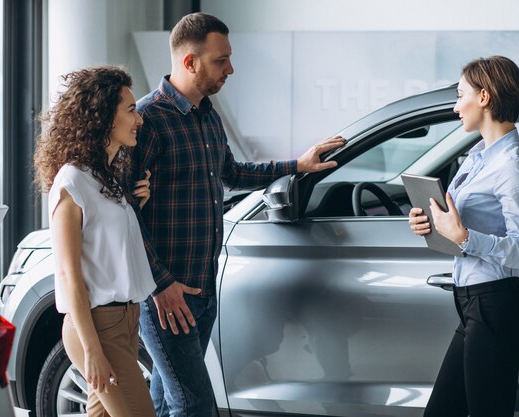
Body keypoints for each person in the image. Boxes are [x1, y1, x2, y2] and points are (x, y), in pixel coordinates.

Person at [131, 12, 346, 417]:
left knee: (165, 398)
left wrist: (297, 165)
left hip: (202, 290)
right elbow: (128, 215)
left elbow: (231, 173)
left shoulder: (207, 113)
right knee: (194, 405)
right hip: (167, 296)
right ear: (190, 61)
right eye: (221, 60)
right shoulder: (148, 121)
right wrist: (161, 285)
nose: (231, 68)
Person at [408, 56, 519, 417]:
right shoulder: (477, 156)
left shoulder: (513, 166)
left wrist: (465, 238)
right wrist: (430, 224)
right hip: (471, 306)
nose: (455, 105)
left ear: (484, 97)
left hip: (496, 306)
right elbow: (462, 225)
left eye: (460, 93)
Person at [34, 65, 158, 417]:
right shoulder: (72, 182)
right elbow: (69, 275)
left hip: (124, 321)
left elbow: (112, 249)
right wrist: (91, 350)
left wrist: (136, 205)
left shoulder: (107, 178)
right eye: (131, 110)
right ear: (103, 116)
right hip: (98, 327)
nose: (140, 120)